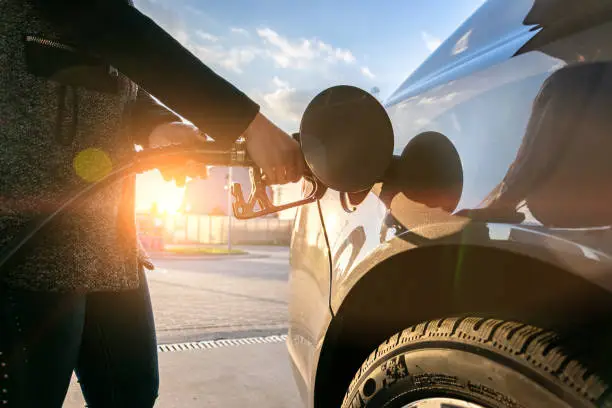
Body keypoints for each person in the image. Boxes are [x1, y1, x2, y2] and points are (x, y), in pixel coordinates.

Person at [0, 0, 304, 407]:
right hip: (26, 241)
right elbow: (110, 25)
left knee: (133, 392)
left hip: (110, 241)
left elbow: (120, 80)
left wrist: (160, 126)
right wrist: (246, 122)